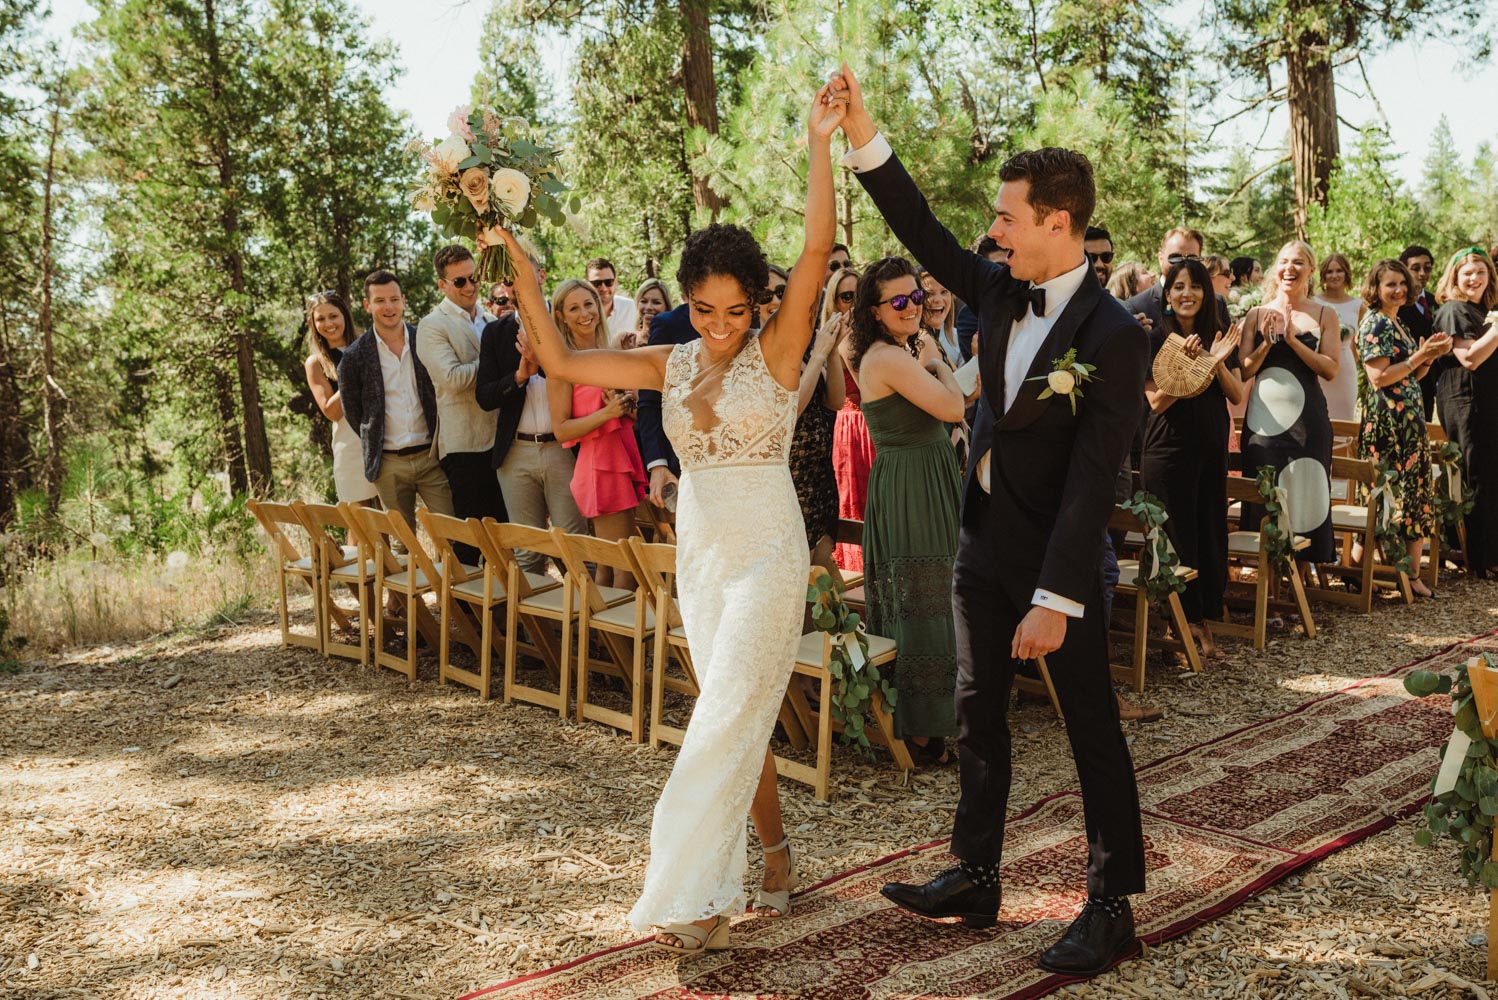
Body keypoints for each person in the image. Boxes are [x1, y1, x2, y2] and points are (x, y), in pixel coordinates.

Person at [491, 81, 843, 953]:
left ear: (757, 304)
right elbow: (567, 358)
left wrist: (818, 144)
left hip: (768, 544)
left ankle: (688, 891)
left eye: (738, 311)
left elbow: (815, 247)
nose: (723, 328)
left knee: (725, 709)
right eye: (708, 311)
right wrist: (521, 266)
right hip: (703, 548)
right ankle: (774, 852)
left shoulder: (780, 346)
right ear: (688, 301)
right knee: (735, 704)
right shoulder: (673, 362)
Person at [835, 64, 1149, 978]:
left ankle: (1111, 902)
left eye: (1009, 216)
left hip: (1060, 564)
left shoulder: (1116, 337)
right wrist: (865, 133)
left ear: (1059, 222)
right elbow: (920, 228)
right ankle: (975, 872)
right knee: (978, 715)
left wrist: (1055, 595)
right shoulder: (1001, 289)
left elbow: (1095, 479)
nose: (994, 229)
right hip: (982, 544)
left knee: (1092, 730)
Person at [848, 257, 965, 765]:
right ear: (874, 311)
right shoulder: (888, 358)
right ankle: (922, 726)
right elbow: (955, 406)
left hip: (923, 475)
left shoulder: (895, 352)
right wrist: (939, 363)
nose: (912, 307)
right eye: (899, 301)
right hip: (912, 483)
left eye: (916, 297)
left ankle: (937, 718)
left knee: (937, 591)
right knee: (926, 596)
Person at [1140, 259, 1244, 660]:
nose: (1187, 294)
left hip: (1210, 447)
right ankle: (1177, 628)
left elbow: (1235, 395)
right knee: (1177, 537)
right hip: (1168, 451)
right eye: (1179, 287)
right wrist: (1199, 361)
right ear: (1167, 295)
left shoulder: (1215, 335)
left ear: (1206, 293)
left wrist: (1216, 359)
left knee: (1208, 533)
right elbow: (1156, 401)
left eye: (1195, 286)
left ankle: (1202, 620)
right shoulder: (1156, 338)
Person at [474, 241, 589, 575]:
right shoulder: (495, 334)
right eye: (508, 281)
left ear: (540, 275)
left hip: (564, 449)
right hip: (517, 452)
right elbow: (484, 396)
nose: (514, 286)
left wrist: (545, 364)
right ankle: (534, 629)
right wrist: (520, 376)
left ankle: (587, 626)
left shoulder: (566, 323)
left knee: (576, 548)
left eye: (521, 276)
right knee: (528, 554)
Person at [1238, 241, 1339, 567]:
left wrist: (1293, 340)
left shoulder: (1325, 314)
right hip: (1264, 422)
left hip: (1308, 423)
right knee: (1265, 490)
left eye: (1298, 262)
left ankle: (1300, 568)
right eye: (1284, 262)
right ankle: (1264, 573)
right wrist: (1267, 344)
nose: (1290, 269)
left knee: (1304, 490)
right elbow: (1245, 370)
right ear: (1276, 268)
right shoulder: (1256, 314)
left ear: (1311, 269)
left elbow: (1330, 369)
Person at [1355, 259, 1452, 598]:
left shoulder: (1398, 323)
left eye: (1402, 283)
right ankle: (1382, 571)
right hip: (1389, 426)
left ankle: (1400, 572)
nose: (1398, 289)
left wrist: (1429, 356)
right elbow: (1378, 377)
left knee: (1415, 492)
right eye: (1390, 284)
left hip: (1409, 422)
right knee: (1392, 495)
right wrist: (1417, 357)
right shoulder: (1376, 323)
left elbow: (1413, 374)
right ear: (1376, 289)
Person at [549, 278, 647, 587]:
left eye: (589, 304)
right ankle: (624, 635)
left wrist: (627, 407)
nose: (584, 313)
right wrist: (608, 412)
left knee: (608, 566)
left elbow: (629, 414)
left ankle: (600, 636)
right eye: (574, 308)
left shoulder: (608, 352)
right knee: (624, 566)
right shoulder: (562, 364)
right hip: (600, 466)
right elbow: (561, 430)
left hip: (621, 456)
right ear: (561, 316)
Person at [338, 270, 454, 527]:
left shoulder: (425, 339)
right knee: (404, 544)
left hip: (432, 456)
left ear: (403, 301)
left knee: (453, 533)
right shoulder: (354, 357)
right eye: (379, 301)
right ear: (368, 305)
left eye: (393, 299)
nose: (388, 307)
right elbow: (354, 412)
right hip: (388, 463)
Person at [417, 245, 505, 562]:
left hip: (500, 442)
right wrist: (498, 362)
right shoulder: (431, 325)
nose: (469, 287)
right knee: (470, 542)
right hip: (464, 447)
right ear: (442, 284)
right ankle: (467, 612)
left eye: (474, 278)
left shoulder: (489, 318)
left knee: (505, 536)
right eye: (459, 282)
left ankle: (502, 610)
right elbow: (452, 379)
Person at [1433, 247, 1498, 576]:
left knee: (1491, 473)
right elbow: (1470, 358)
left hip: (1489, 401)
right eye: (1467, 273)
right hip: (1464, 401)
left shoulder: (1482, 311)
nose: (1475, 279)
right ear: (1455, 277)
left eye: (1481, 273)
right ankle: (1479, 558)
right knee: (1475, 474)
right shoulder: (1454, 309)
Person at [303, 290, 379, 506]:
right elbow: (332, 412)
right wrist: (349, 374)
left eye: (333, 316)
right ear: (313, 324)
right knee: (363, 523)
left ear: (344, 315)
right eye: (320, 319)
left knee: (392, 517)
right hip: (350, 445)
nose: (328, 323)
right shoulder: (316, 363)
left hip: (382, 438)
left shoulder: (369, 347)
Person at [789, 308, 845, 573]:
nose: (777, 301)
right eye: (769, 295)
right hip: (790, 486)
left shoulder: (805, 347)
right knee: (795, 588)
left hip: (820, 483)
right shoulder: (762, 353)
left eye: (783, 294)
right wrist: (819, 354)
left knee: (818, 591)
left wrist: (831, 352)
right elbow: (791, 411)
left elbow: (835, 401)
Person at [827, 266, 872, 571]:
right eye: (846, 297)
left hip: (863, 426)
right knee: (858, 507)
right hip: (854, 429)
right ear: (834, 302)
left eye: (860, 296)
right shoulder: (846, 338)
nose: (853, 304)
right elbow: (869, 387)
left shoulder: (861, 335)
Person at [1125, 227, 1229, 333]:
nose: (1183, 264)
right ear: (1161, 258)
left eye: (1192, 258)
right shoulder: (1136, 307)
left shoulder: (1218, 303)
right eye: (1175, 257)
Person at [1315, 252, 1365, 421]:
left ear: (1346, 274)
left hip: (1345, 370)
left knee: (1344, 419)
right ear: (1323, 275)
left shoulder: (1358, 306)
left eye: (1339, 271)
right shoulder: (1314, 302)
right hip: (1319, 369)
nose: (1334, 276)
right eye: (1329, 271)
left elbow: (1360, 343)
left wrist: (1350, 358)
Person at [1398, 245, 1439, 421]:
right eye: (1416, 268)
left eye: (1427, 268)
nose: (1422, 273)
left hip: (1431, 380)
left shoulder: (1434, 300)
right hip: (1403, 377)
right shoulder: (1397, 303)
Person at [918, 267, 959, 368]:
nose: (938, 300)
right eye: (929, 294)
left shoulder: (955, 336)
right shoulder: (922, 341)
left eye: (944, 292)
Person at [586, 257, 637, 340]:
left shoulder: (631, 308)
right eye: (597, 283)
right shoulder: (579, 313)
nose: (603, 288)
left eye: (608, 282)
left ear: (616, 282)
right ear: (586, 284)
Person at [619, 278, 673, 350]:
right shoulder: (625, 340)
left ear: (667, 307)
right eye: (644, 301)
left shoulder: (674, 341)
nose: (648, 307)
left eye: (656, 302)